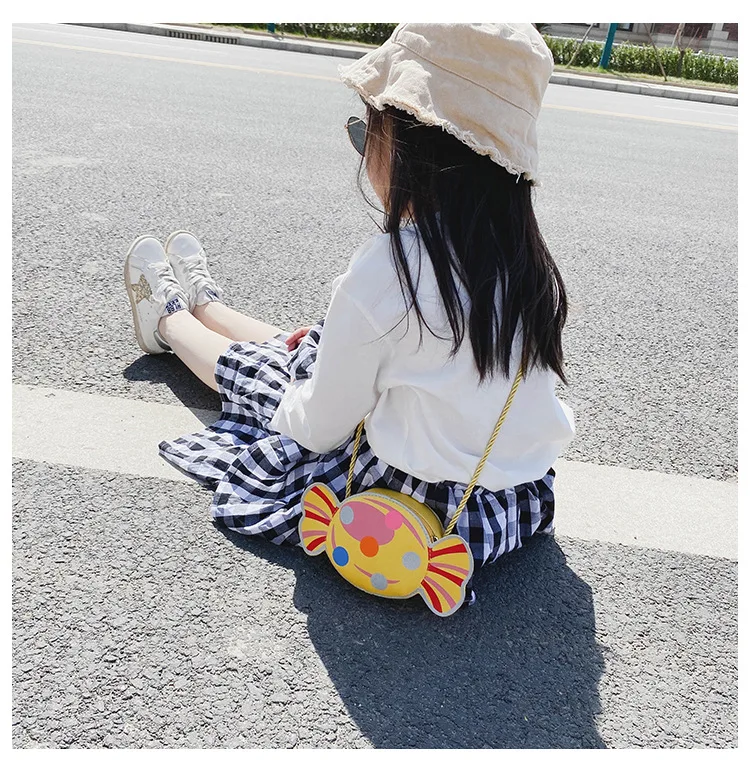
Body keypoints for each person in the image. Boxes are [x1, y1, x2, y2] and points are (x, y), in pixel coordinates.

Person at [123, 23, 575, 606]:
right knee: (320, 348)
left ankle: (169, 321)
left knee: (271, 378)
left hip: (407, 508)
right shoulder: (526, 266)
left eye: (367, 132)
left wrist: (299, 383)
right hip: (505, 504)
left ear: (411, 150)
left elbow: (319, 427)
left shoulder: (392, 270)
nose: (364, 149)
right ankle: (209, 305)